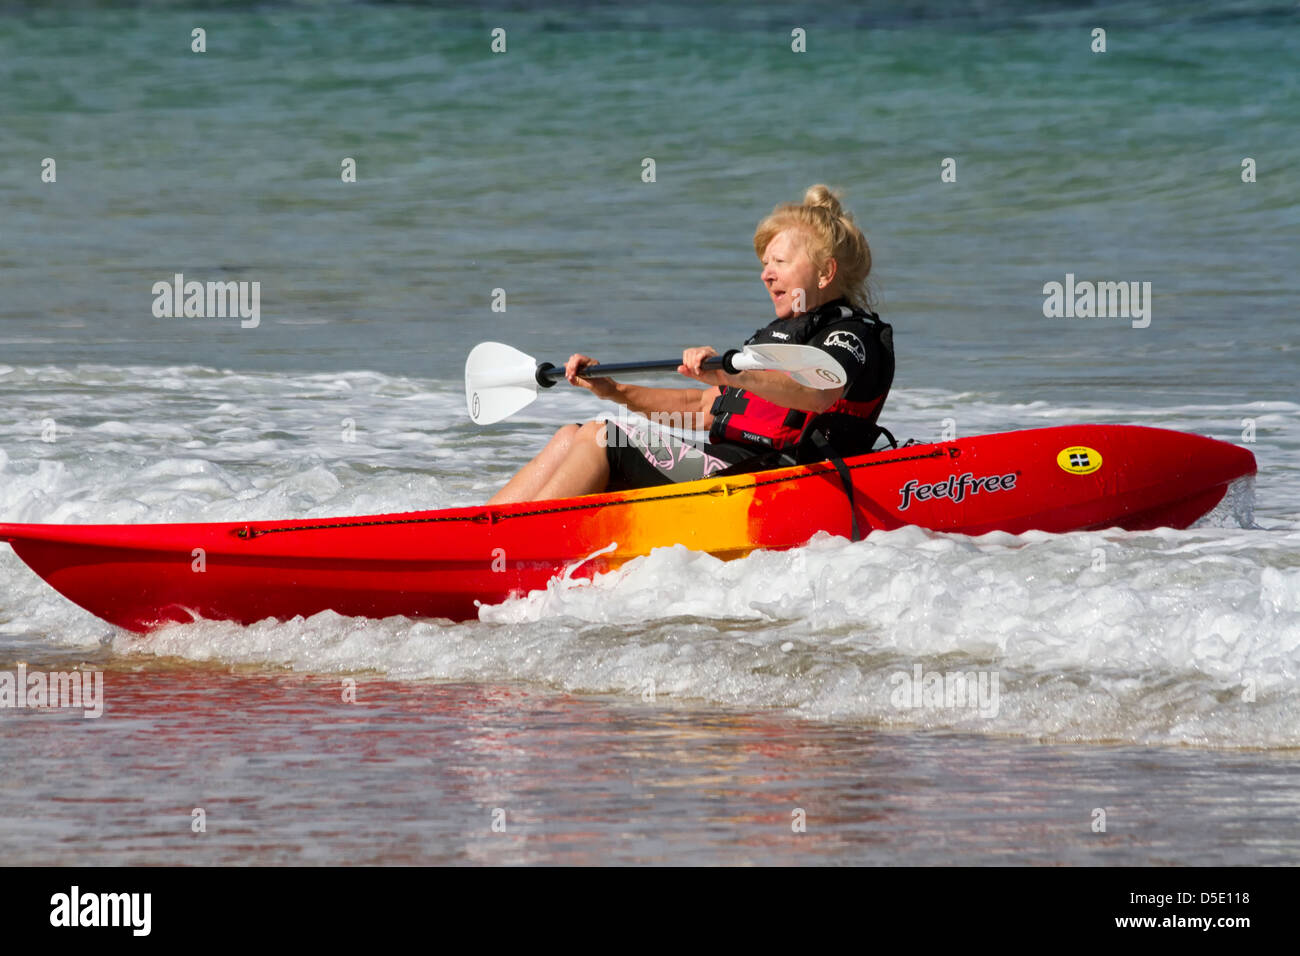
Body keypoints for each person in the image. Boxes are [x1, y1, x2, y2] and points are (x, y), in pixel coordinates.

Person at [487, 184, 894, 505]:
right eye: (764, 265)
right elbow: (699, 410)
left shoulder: (851, 337)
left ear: (825, 272)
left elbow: (818, 395)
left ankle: (506, 551)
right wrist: (616, 392)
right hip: (736, 465)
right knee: (571, 434)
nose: (766, 276)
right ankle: (481, 528)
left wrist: (737, 371)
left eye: (780, 263)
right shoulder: (776, 338)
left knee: (601, 439)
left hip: (782, 480)